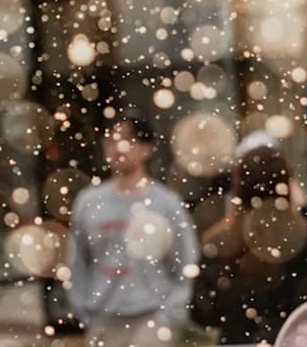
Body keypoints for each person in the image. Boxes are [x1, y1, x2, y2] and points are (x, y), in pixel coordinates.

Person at [67, 113, 199, 347]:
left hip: (151, 319)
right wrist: (84, 311)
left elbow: (186, 262)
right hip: (103, 320)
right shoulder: (88, 202)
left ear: (146, 148)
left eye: (127, 140)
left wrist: (168, 315)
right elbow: (76, 262)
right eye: (111, 140)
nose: (118, 148)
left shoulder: (167, 204)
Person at [192, 144, 307, 344]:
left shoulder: (219, 241)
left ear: (237, 187)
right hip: (285, 340)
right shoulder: (299, 240)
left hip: (235, 341)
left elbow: (203, 312)